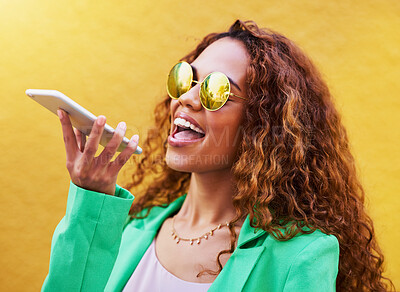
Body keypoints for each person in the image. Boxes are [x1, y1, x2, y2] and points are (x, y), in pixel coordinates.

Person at [41, 20, 395, 292]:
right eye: (186, 79)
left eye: (215, 90)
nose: (188, 98)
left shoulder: (300, 255)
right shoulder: (131, 229)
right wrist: (91, 198)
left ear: (263, 123)